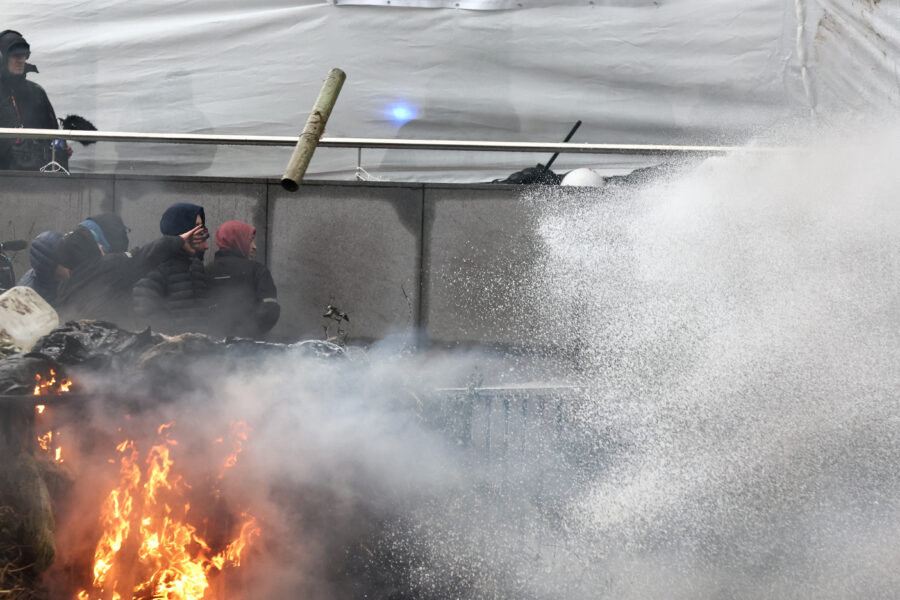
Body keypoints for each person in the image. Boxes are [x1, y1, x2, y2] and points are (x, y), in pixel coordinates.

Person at [54, 219, 206, 327]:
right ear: (88, 250)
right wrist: (179, 240)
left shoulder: (66, 284)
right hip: (110, 345)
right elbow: (145, 256)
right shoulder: (107, 267)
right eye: (95, 244)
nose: (101, 246)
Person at [133, 203, 212, 334]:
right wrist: (175, 340)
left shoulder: (196, 265)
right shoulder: (155, 265)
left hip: (201, 349)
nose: (202, 231)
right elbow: (146, 313)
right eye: (197, 226)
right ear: (183, 230)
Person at [0, 30, 69, 171]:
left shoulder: (36, 92)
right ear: (2, 57)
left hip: (37, 179)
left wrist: (61, 150)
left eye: (24, 55)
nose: (21, 60)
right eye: (15, 55)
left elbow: (54, 135)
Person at [208, 220, 280, 339]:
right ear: (238, 240)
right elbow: (270, 309)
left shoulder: (206, 271)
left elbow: (198, 309)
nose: (254, 246)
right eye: (250, 240)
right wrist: (248, 334)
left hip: (212, 348)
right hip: (251, 349)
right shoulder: (257, 271)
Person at [16, 230, 64, 303]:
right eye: (63, 262)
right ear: (50, 268)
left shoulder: (56, 277)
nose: (70, 263)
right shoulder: (28, 298)